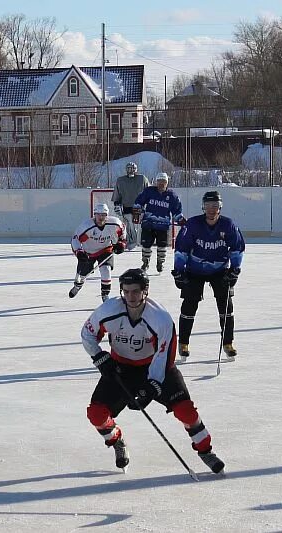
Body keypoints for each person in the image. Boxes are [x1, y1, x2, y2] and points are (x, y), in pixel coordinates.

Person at [81, 268, 225, 474]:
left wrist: (152, 386)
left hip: (156, 367)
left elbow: (164, 355)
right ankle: (116, 440)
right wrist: (99, 357)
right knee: (96, 414)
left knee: (186, 411)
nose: (131, 296)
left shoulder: (160, 318)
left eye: (136, 291)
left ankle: (205, 451)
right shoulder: (108, 310)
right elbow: (87, 333)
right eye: (126, 291)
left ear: (145, 291)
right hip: (120, 368)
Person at [172, 191, 245, 363]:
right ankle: (183, 343)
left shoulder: (228, 225)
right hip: (194, 270)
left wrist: (235, 269)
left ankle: (228, 343)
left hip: (219, 270)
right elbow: (181, 248)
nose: (211, 210)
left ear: (220, 207)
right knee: (189, 304)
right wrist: (178, 271)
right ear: (203, 207)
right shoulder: (193, 224)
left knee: (226, 305)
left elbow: (237, 248)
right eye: (208, 206)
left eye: (215, 206)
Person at [69, 203, 126, 301]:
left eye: (103, 214)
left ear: (107, 215)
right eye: (98, 214)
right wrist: (79, 252)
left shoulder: (114, 224)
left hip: (106, 249)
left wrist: (121, 243)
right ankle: (78, 285)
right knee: (82, 274)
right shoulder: (87, 227)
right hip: (88, 253)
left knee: (106, 269)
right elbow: (75, 239)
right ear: (94, 215)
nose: (101, 217)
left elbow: (123, 231)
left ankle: (105, 295)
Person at [133, 172, 186, 273]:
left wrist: (180, 219)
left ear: (167, 183)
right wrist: (137, 209)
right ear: (156, 182)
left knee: (162, 246)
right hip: (148, 224)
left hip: (163, 226)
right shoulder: (149, 191)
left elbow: (176, 210)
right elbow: (139, 201)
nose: (161, 184)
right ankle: (145, 262)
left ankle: (160, 262)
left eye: (164, 182)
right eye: (159, 181)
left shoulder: (172, 196)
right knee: (146, 245)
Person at [112, 162, 149, 251]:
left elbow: (148, 192)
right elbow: (117, 195)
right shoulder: (121, 180)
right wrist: (117, 204)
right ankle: (132, 243)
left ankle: (140, 243)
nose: (130, 170)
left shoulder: (142, 179)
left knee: (139, 227)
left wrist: (149, 203)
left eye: (132, 168)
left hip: (140, 208)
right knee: (130, 227)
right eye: (128, 168)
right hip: (127, 207)